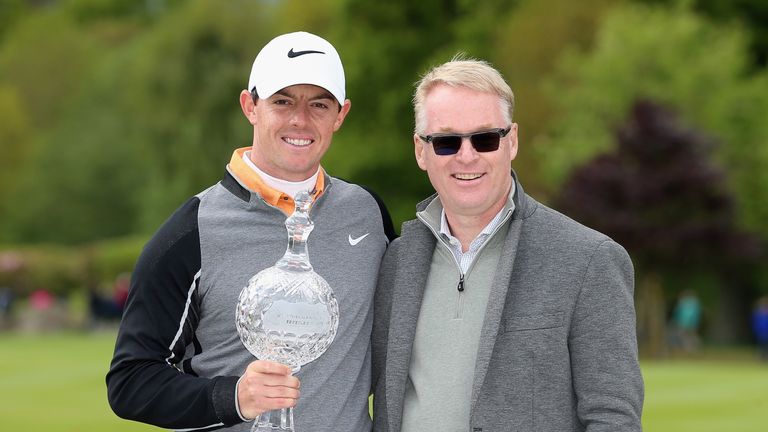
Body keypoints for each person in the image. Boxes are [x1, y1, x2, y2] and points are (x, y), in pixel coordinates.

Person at [107, 31, 395, 432]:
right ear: (250, 106)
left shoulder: (366, 213)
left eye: (319, 104)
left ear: (341, 115)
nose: (300, 118)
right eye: (282, 101)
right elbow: (130, 382)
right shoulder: (191, 232)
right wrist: (233, 398)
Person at [372, 56, 643, 431]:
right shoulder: (396, 261)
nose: (467, 156)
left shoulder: (589, 260)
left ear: (511, 141)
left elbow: (612, 418)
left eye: (484, 139)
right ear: (421, 150)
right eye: (447, 142)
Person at [753, 296, 768, 361]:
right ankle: (762, 357)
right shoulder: (758, 313)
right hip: (761, 332)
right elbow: (755, 322)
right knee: (762, 345)